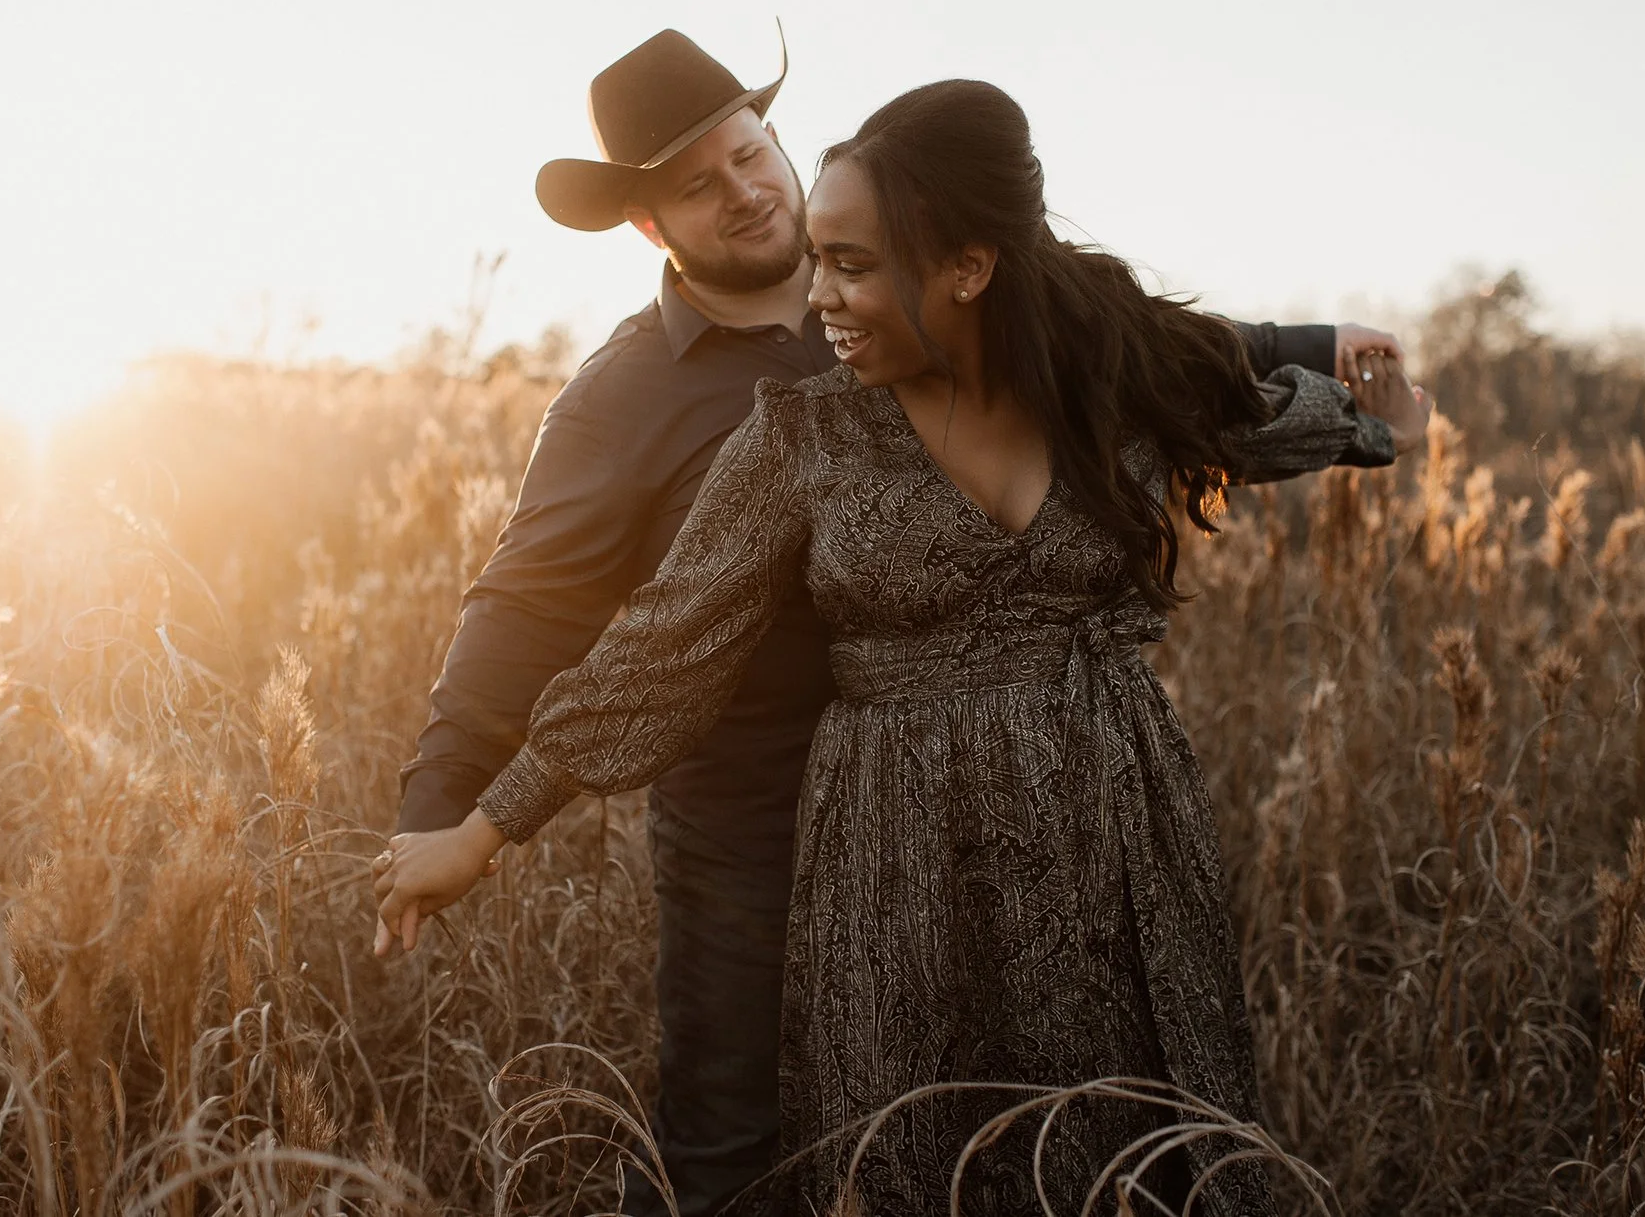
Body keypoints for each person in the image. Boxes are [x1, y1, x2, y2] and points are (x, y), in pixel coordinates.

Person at [374, 76, 1432, 1214]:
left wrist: (1360, 399)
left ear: (963, 266)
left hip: (1104, 820)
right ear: (649, 224)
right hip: (821, 830)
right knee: (773, 1146)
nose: (748, 199)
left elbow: (1203, 376)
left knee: (1123, 1123)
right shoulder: (677, 408)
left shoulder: (1077, 352)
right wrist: (461, 819)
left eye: (747, 154)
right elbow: (598, 628)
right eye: (696, 185)